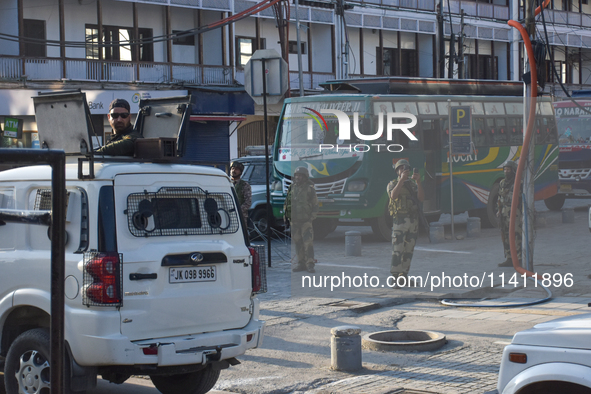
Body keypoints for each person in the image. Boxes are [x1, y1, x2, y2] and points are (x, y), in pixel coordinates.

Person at [387, 159, 424, 286]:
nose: (404, 170)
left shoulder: (413, 185)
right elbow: (393, 196)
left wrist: (418, 182)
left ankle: (404, 276)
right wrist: (401, 181)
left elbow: (421, 198)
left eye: (406, 168)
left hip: (412, 220)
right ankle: (395, 277)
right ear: (397, 171)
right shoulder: (393, 184)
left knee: (409, 249)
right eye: (401, 168)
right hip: (400, 221)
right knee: (398, 249)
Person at [284, 166, 318, 273]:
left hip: (305, 221)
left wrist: (311, 218)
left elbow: (315, 205)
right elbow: (287, 202)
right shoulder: (291, 188)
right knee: (297, 242)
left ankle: (310, 264)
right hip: (294, 221)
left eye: (300, 175)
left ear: (305, 177)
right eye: (296, 175)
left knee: (308, 243)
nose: (298, 177)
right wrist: (285, 217)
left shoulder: (310, 189)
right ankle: (301, 263)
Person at [497, 160, 523, 267]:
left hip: (515, 214)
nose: (506, 172)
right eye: (505, 170)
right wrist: (499, 211)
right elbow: (499, 198)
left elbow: (521, 200)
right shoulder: (502, 183)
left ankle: (519, 258)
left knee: (516, 235)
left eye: (508, 170)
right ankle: (509, 257)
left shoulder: (518, 183)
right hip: (504, 213)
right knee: (505, 235)